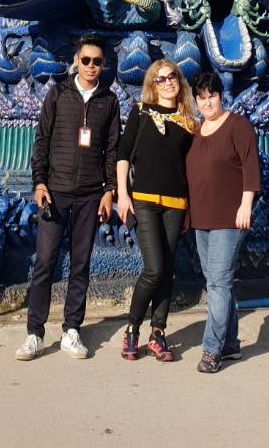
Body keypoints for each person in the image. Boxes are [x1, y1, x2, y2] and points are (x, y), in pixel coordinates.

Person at [18, 35, 120, 362]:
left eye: (97, 61)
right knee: (45, 261)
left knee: (81, 264)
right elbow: (42, 141)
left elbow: (112, 150)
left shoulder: (109, 100)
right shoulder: (58, 93)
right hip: (57, 190)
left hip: (91, 193)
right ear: (76, 60)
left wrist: (109, 192)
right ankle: (35, 332)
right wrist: (39, 183)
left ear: (103, 65)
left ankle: (72, 330)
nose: (91, 66)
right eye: (86, 60)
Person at [116, 59, 196, 362]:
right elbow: (123, 155)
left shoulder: (189, 121)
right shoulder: (141, 112)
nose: (167, 83)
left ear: (179, 80)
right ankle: (132, 328)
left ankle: (158, 332)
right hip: (145, 199)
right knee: (154, 268)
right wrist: (123, 195)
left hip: (176, 203)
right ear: (152, 84)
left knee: (168, 271)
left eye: (171, 77)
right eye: (160, 79)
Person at [186, 72, 261, 374]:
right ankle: (230, 343)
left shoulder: (237, 125)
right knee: (217, 282)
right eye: (201, 97)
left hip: (229, 217)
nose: (207, 102)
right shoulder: (195, 130)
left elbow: (250, 165)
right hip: (201, 217)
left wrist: (246, 205)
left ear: (221, 96)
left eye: (212, 95)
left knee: (218, 283)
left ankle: (211, 350)